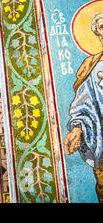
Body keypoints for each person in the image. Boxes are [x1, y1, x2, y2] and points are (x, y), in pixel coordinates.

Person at [64, 13, 103, 202]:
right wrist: (78, 129)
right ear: (96, 32)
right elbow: (83, 105)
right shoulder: (91, 66)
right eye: (102, 27)